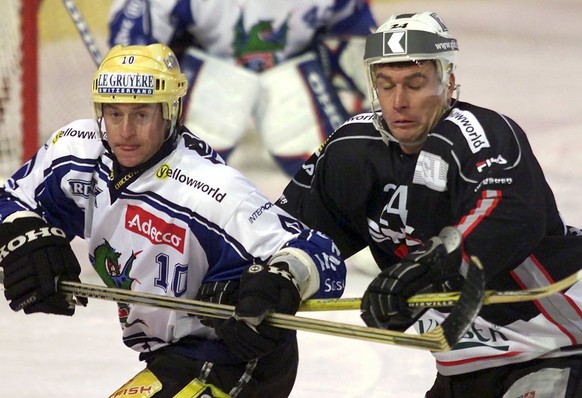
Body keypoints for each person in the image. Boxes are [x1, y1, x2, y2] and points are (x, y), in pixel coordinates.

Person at [0, 43, 346, 398]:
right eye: (114, 114)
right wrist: (22, 231)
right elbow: (11, 198)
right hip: (169, 356)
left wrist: (279, 282)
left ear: (170, 112)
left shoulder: (211, 190)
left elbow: (321, 255)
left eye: (141, 115)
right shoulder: (76, 151)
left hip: (234, 360)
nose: (125, 132)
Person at [276, 11, 582, 397]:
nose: (399, 102)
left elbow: (506, 211)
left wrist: (430, 268)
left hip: (560, 346)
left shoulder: (480, 132)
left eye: (415, 83)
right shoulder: (352, 149)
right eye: (385, 85)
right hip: (465, 366)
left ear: (448, 81)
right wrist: (274, 275)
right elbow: (293, 231)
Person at [108, 0, 377, 176]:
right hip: (209, 76)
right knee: (179, 153)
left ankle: (350, 214)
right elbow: (131, 57)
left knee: (337, 164)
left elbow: (357, 48)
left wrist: (359, 104)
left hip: (295, 74)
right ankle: (165, 194)